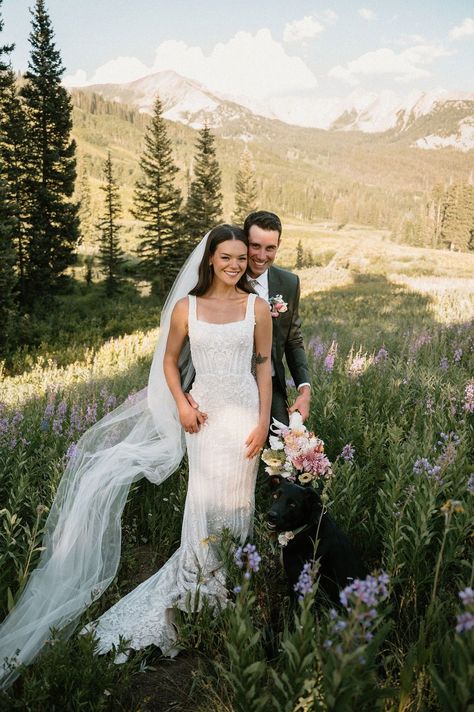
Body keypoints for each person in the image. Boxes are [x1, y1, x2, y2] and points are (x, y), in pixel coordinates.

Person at [0, 225, 272, 688]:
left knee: (239, 502)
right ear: (210, 259)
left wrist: (263, 423)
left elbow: (264, 364)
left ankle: (228, 586)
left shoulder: (257, 308)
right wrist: (183, 403)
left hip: (244, 413)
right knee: (204, 501)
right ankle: (197, 584)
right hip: (204, 419)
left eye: (241, 259)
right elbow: (169, 360)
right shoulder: (187, 307)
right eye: (226, 257)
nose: (234, 265)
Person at [244, 211, 311, 426]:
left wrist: (304, 388)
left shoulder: (289, 283)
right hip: (229, 387)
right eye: (255, 246)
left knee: (279, 452)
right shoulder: (227, 277)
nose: (262, 256)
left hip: (271, 385)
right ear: (244, 241)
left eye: (270, 248)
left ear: (279, 244)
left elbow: (293, 339)